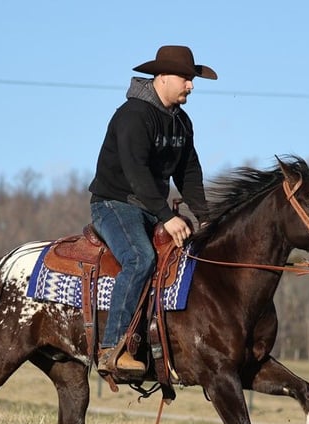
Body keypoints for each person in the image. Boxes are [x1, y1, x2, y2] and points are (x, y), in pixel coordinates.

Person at [89, 45, 217, 377]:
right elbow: (136, 171)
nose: (191, 86)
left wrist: (205, 216)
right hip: (115, 205)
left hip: (152, 208)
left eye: (192, 79)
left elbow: (188, 172)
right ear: (161, 78)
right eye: (186, 78)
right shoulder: (133, 115)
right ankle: (111, 348)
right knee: (139, 259)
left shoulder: (181, 122)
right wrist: (167, 215)